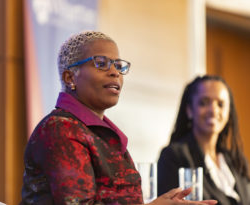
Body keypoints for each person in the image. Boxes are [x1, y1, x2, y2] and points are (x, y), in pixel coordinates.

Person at [20, 31, 217, 205]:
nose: (114, 72)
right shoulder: (60, 130)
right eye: (101, 64)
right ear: (70, 78)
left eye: (118, 65)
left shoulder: (101, 134)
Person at [157, 75, 250, 205]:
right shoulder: (173, 157)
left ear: (228, 112)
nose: (213, 110)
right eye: (204, 103)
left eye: (221, 104)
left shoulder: (236, 161)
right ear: (189, 110)